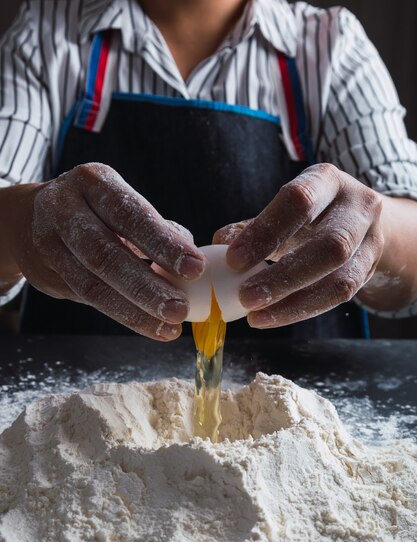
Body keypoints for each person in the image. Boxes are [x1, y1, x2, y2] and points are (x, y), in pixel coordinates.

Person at [0, 0, 416, 339]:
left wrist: (375, 230)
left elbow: (409, 244)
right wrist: (21, 220)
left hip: (300, 400)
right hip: (77, 402)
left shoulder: (330, 45)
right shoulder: (47, 32)